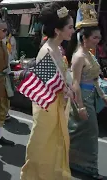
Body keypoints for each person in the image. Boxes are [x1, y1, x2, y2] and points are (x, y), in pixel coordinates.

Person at [20, 3, 75, 179]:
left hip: (58, 103)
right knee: (42, 144)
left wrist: (68, 88)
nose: (73, 31)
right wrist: (66, 89)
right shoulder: (47, 50)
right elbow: (50, 83)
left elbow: (62, 77)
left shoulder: (58, 48)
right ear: (58, 30)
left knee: (56, 144)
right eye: (70, 27)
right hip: (47, 106)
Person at [65, 2, 107, 179]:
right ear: (85, 38)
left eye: (99, 38)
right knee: (89, 132)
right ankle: (87, 167)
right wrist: (80, 106)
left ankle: (76, 162)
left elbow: (95, 78)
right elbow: (75, 83)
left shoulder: (90, 54)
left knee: (84, 132)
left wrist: (103, 95)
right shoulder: (79, 56)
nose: (98, 41)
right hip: (81, 97)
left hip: (91, 97)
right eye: (95, 38)